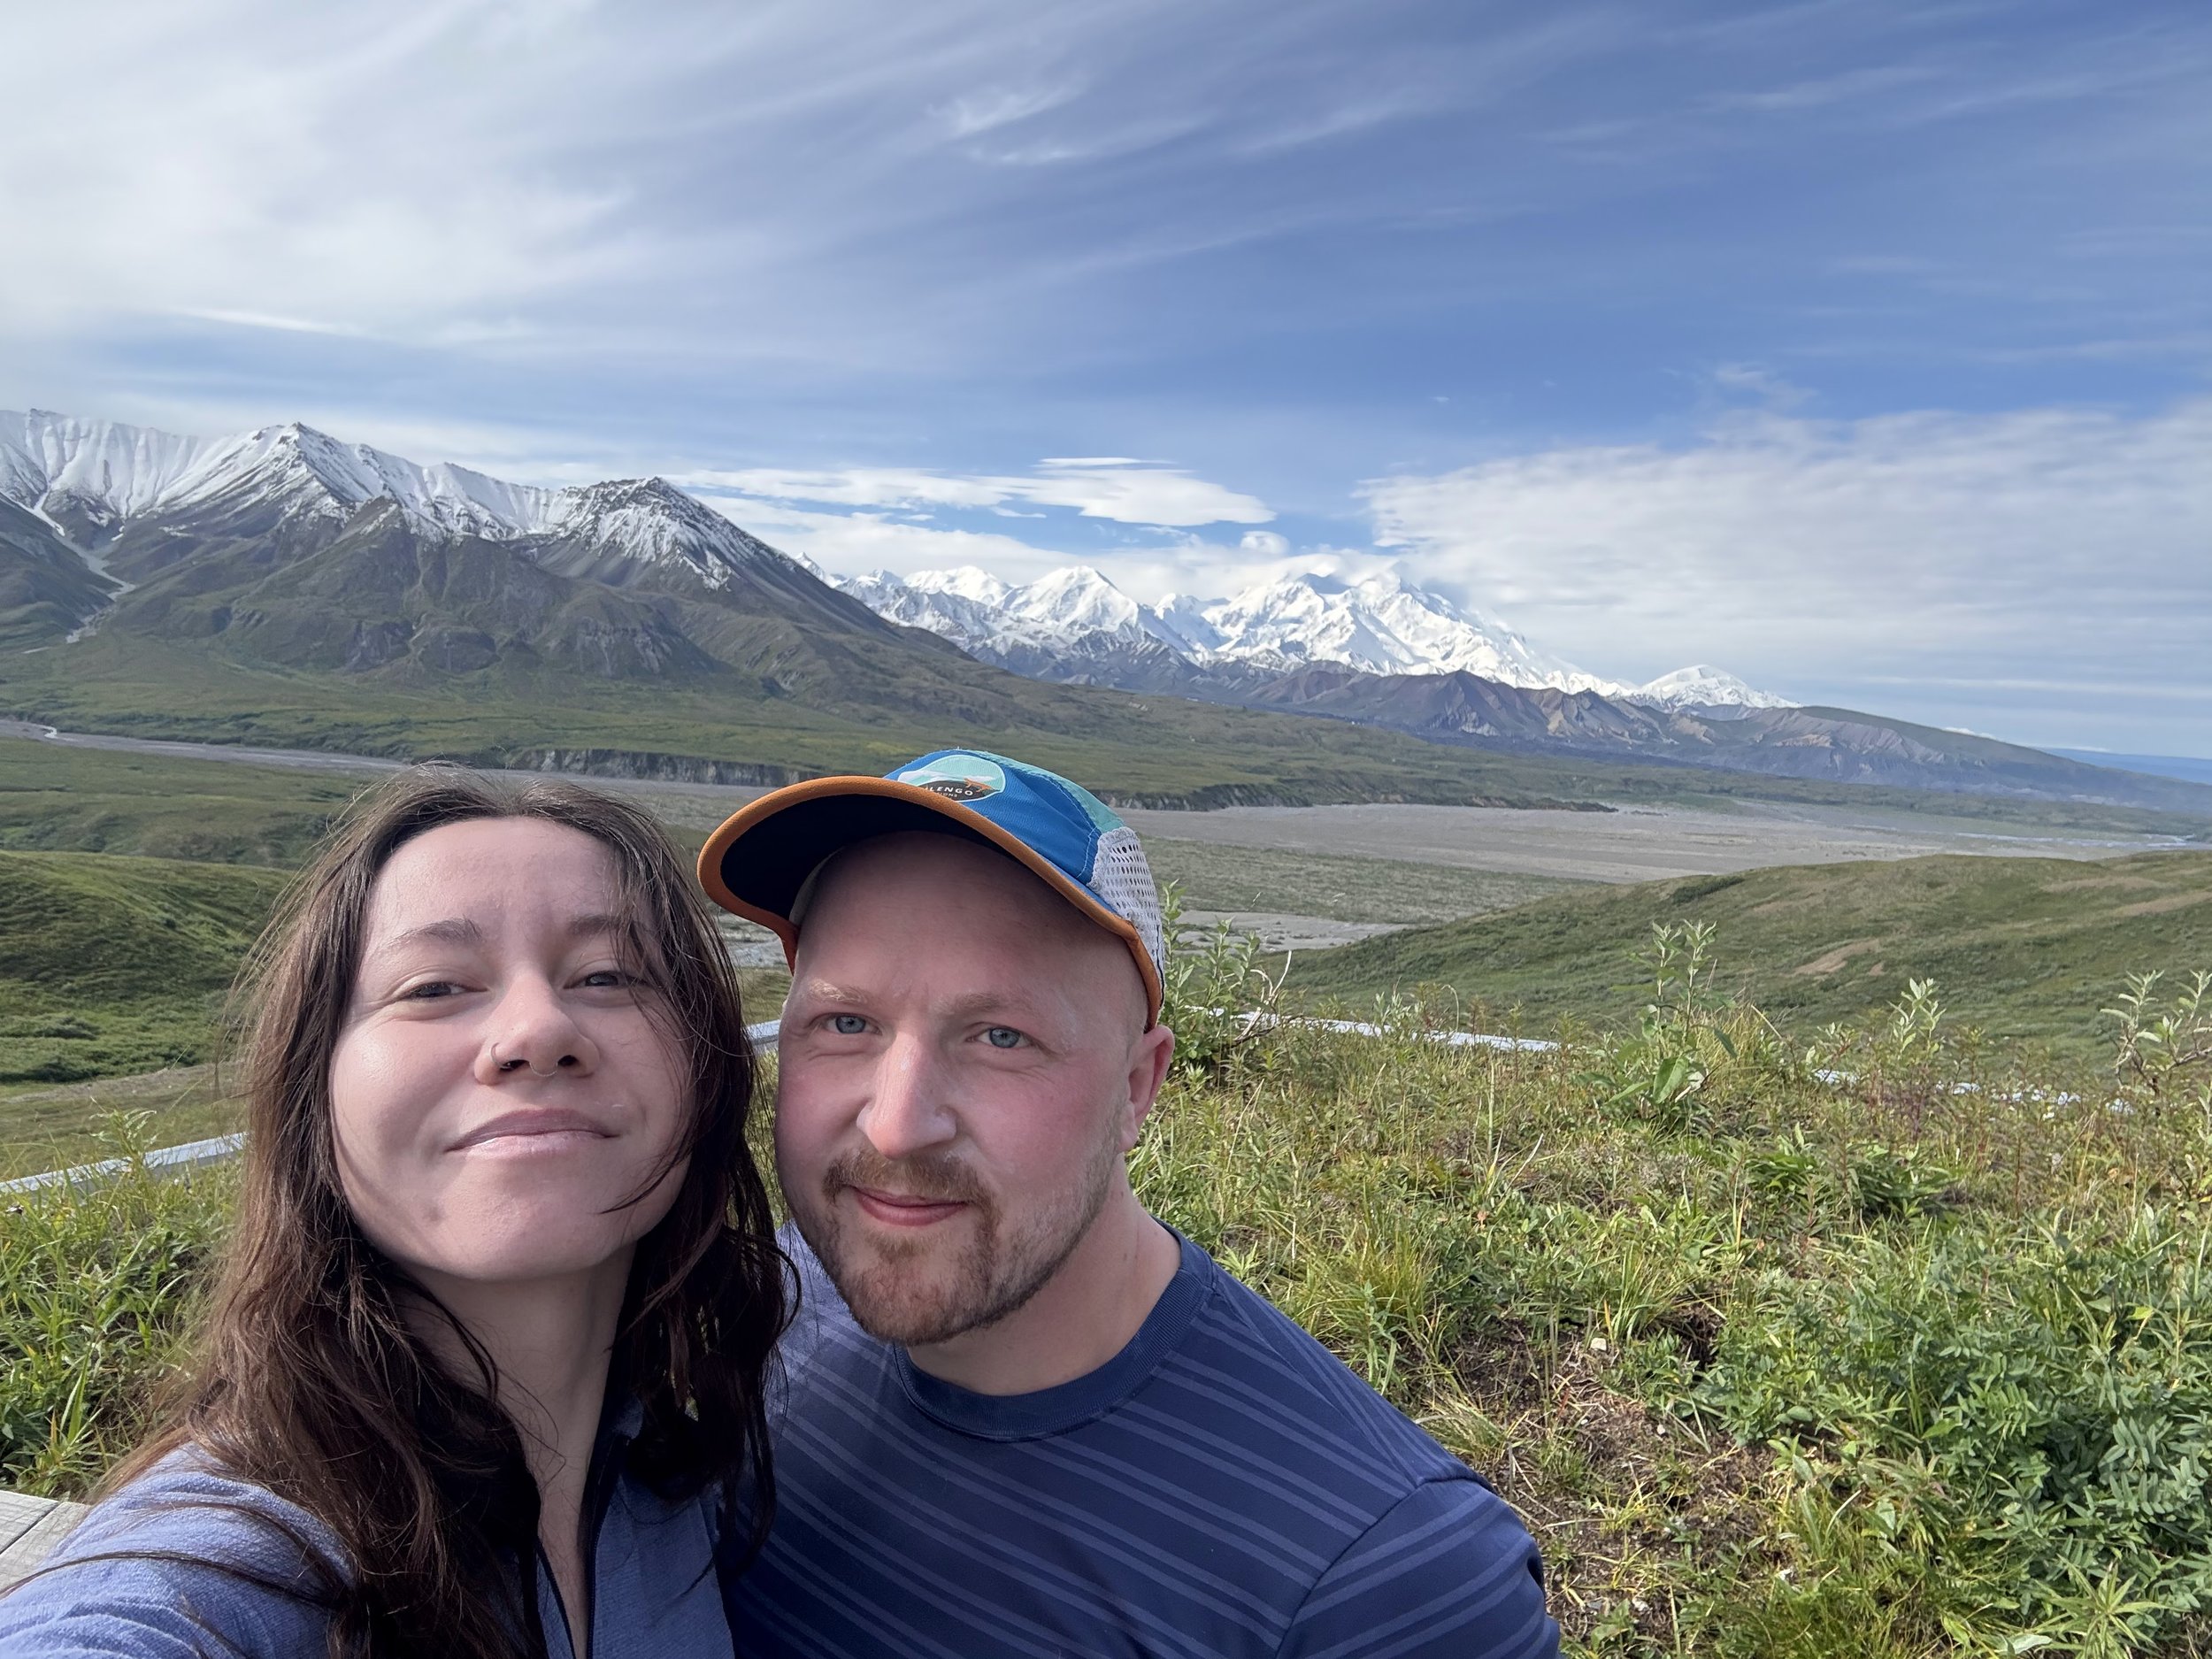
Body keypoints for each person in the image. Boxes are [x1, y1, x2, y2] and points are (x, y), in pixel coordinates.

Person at [699, 748, 1559, 1656]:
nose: (896, 1128)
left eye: (1001, 1036)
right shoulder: (775, 1303)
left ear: (1138, 1087)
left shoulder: (1388, 1582)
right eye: (846, 1023)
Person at [0, 768, 787, 1659]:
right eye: (434, 987)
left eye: (607, 975)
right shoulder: (234, 1564)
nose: (535, 1030)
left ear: (707, 1069)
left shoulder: (674, 1476)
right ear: (315, 1099)